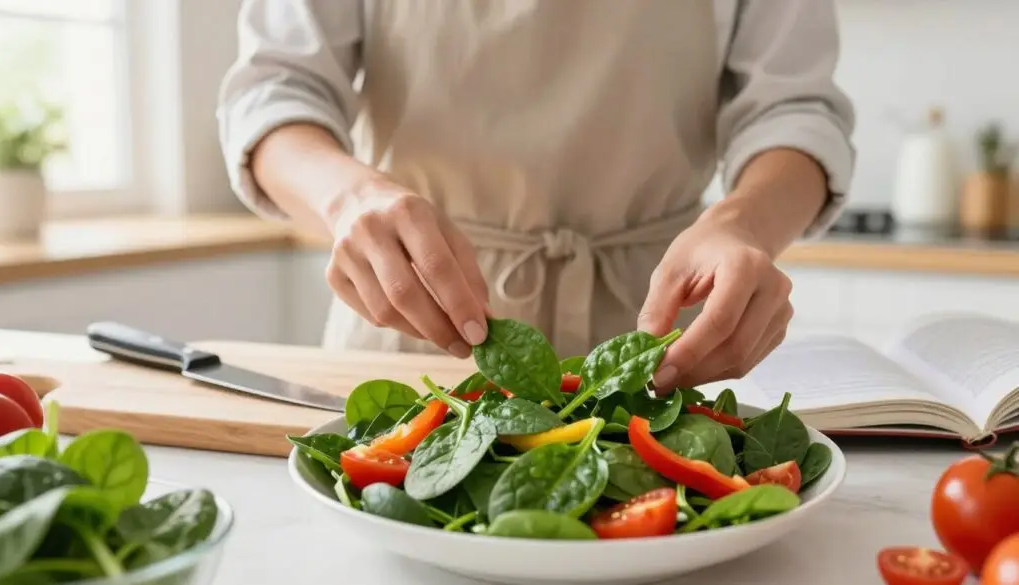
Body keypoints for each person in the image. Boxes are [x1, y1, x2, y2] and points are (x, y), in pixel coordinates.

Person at [216, 0, 855, 393]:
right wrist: (347, 199)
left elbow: (794, 109)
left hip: (659, 335)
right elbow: (274, 91)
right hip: (412, 322)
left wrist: (741, 226)